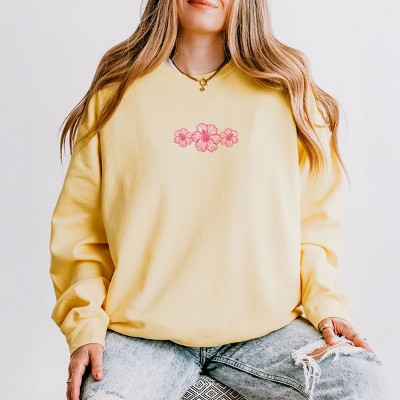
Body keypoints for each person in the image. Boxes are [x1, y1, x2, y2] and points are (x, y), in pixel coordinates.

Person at [49, 1, 384, 399]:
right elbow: (81, 236)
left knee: (360, 381)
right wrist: (85, 325)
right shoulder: (115, 94)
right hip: (142, 334)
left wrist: (327, 304)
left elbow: (315, 228)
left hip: (268, 332)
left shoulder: (290, 90)